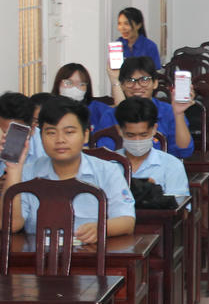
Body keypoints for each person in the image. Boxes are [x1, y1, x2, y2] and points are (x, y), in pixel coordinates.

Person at [4, 97, 135, 245]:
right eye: (51, 133)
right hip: (38, 258)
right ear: (41, 136)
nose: (60, 140)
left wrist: (102, 228)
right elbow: (12, 226)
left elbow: (127, 220)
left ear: (85, 135)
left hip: (91, 255)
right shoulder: (28, 172)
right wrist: (14, 170)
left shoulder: (108, 171)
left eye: (69, 132)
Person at [94, 57, 194, 158]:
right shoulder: (110, 115)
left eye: (144, 80)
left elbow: (184, 152)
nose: (137, 86)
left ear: (155, 83)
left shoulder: (169, 111)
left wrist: (179, 114)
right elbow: (105, 152)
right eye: (130, 80)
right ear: (122, 85)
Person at [115, 97, 190, 199]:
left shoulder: (172, 166)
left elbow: (179, 208)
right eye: (130, 135)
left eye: (143, 135)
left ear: (154, 129)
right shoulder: (108, 164)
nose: (137, 140)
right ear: (119, 130)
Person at [0, 92, 36, 186]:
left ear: (32, 128)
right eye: (3, 132)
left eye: (13, 134)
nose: (5, 138)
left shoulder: (47, 149)